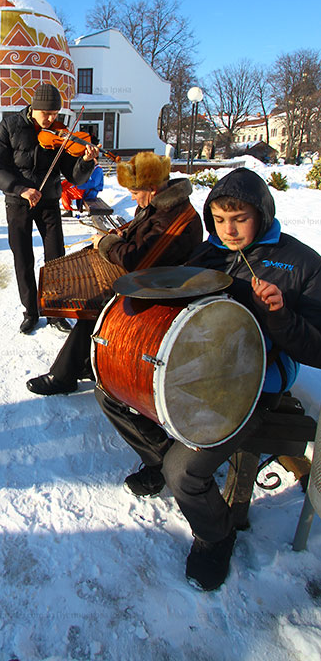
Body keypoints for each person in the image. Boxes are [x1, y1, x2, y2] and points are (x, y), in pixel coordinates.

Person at [97, 168, 321, 591]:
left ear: (263, 213)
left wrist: (281, 317)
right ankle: (157, 457)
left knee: (185, 472)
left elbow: (318, 349)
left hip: (254, 384)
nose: (228, 230)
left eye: (239, 219)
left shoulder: (301, 263)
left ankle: (215, 535)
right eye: (219, 220)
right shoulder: (208, 253)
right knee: (110, 389)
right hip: (196, 363)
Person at [27, 152, 203, 395]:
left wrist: (107, 245)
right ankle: (86, 363)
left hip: (161, 291)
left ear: (152, 188)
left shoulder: (174, 216)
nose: (131, 197)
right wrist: (120, 236)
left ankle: (63, 375)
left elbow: (137, 261)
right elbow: (143, 239)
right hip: (151, 277)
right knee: (93, 291)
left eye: (134, 191)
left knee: (96, 303)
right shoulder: (162, 205)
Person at [0, 84, 99, 333]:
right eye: (47, 114)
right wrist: (20, 189)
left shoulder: (60, 134)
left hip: (48, 202)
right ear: (34, 108)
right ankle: (31, 312)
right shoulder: (10, 126)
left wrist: (86, 163)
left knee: (56, 257)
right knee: (23, 257)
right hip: (18, 203)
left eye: (56, 114)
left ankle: (55, 311)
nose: (51, 119)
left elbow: (74, 175)